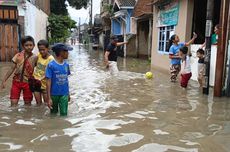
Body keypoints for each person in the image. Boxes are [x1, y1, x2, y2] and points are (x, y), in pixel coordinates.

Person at [0, 36, 37, 106]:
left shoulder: (35, 58)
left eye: (31, 45)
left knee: (28, 105)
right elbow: (11, 69)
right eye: (26, 45)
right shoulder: (18, 56)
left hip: (28, 83)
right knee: (13, 104)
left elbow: (39, 70)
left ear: (34, 46)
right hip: (16, 83)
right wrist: (4, 80)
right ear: (23, 46)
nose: (29, 47)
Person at [46, 43, 72, 116]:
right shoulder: (51, 65)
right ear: (61, 52)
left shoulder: (66, 65)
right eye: (67, 51)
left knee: (64, 113)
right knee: (53, 113)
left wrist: (68, 93)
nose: (68, 53)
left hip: (64, 94)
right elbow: (48, 82)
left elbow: (66, 80)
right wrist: (49, 98)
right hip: (54, 94)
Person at [31, 40, 54, 105]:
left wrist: (41, 78)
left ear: (48, 48)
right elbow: (34, 64)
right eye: (40, 50)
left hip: (45, 85)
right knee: (38, 104)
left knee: (46, 104)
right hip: (36, 83)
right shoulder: (39, 55)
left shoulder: (51, 59)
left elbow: (51, 73)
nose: (41, 51)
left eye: (43, 50)